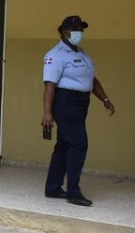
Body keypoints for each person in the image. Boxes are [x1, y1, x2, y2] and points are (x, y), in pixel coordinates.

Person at [41, 15, 114, 206]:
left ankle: (53, 188)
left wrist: (105, 99)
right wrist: (47, 112)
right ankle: (73, 192)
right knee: (79, 144)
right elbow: (49, 85)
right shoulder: (55, 55)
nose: (79, 33)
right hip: (66, 102)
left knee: (64, 145)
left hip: (81, 103)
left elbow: (92, 80)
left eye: (81, 29)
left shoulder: (81, 54)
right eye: (75, 29)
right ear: (64, 32)